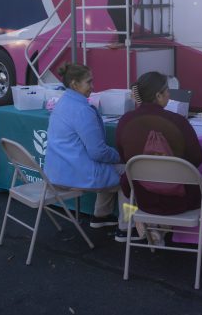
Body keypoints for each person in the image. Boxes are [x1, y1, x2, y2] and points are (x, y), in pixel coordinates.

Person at [44, 63, 137, 241]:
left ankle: (100, 216)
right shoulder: (82, 111)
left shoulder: (62, 102)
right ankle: (127, 227)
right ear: (74, 84)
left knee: (109, 168)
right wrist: (123, 157)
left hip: (57, 172)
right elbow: (98, 153)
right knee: (129, 174)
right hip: (75, 175)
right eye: (89, 82)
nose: (93, 87)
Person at [115, 71, 202, 244]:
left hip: (140, 196)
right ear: (158, 95)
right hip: (179, 199)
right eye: (167, 91)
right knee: (194, 180)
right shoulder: (178, 122)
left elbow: (123, 156)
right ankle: (157, 229)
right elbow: (197, 159)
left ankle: (132, 225)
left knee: (125, 181)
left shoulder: (126, 121)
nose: (169, 95)